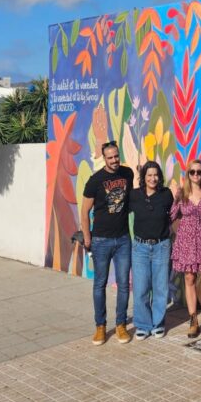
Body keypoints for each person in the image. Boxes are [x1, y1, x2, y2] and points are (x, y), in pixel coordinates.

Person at [81, 140, 134, 345]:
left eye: (116, 156)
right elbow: (84, 212)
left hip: (123, 240)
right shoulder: (95, 181)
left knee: (123, 285)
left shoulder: (127, 174)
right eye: (110, 157)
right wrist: (87, 238)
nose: (114, 160)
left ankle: (121, 324)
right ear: (104, 158)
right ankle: (100, 326)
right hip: (101, 240)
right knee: (99, 284)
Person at [169, 159, 201, 338]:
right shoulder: (181, 194)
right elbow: (171, 215)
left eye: (199, 172)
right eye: (192, 172)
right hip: (187, 243)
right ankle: (193, 319)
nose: (196, 175)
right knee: (189, 279)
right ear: (188, 174)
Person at [129, 161, 175, 340]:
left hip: (161, 246)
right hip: (140, 247)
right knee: (140, 288)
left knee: (160, 287)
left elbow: (173, 216)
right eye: (149, 175)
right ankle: (143, 324)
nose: (153, 178)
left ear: (160, 176)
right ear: (144, 177)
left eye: (156, 175)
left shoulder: (166, 195)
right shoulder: (134, 195)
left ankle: (157, 323)